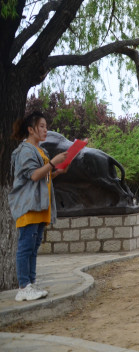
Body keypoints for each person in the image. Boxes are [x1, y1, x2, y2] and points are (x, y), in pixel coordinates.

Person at [10, 112, 68, 301]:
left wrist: (58, 170)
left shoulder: (40, 150)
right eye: (41, 126)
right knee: (26, 246)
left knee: (33, 247)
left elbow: (44, 174)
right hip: (29, 205)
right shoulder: (25, 150)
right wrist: (53, 163)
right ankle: (23, 287)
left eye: (45, 126)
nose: (45, 130)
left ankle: (31, 283)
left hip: (40, 206)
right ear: (30, 129)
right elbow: (34, 175)